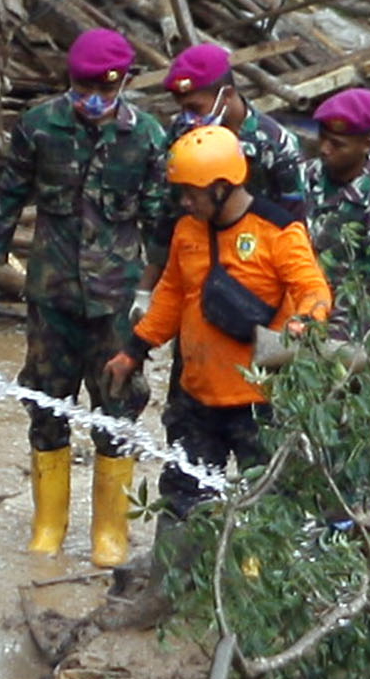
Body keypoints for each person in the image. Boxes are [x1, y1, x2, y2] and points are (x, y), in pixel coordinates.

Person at [0, 27, 172, 564]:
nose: (92, 101)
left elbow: (161, 224)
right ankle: (48, 526)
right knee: (45, 401)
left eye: (104, 91)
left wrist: (148, 294)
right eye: (83, 88)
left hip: (115, 305)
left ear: (124, 86)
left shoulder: (149, 138)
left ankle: (109, 533)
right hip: (51, 297)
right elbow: (9, 196)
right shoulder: (40, 127)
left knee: (117, 409)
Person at [107, 124, 331, 534]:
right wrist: (133, 351)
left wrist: (304, 322)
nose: (184, 201)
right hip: (195, 397)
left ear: (222, 187)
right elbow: (172, 295)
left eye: (192, 192)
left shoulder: (278, 231)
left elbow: (313, 288)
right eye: (181, 191)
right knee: (181, 502)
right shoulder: (187, 231)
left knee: (267, 506)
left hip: (258, 402)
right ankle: (175, 585)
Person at [164, 41, 311, 213]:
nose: (189, 118)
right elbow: (169, 203)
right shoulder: (182, 133)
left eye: (195, 108)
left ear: (226, 95)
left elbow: (295, 219)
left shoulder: (275, 144)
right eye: (183, 109)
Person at [303, 88, 370, 317]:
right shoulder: (303, 176)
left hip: (334, 325)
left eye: (337, 144)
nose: (324, 149)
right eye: (322, 138)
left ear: (367, 145)